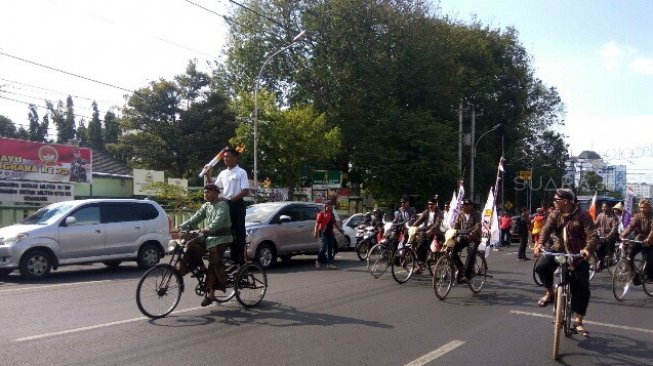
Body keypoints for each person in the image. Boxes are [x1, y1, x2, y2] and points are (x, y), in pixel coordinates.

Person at [533, 188, 597, 337]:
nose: (554, 202)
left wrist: (587, 249)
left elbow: (592, 235)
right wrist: (539, 244)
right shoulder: (554, 214)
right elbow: (545, 230)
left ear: (566, 201)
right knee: (542, 266)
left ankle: (578, 321)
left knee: (582, 287)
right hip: (558, 250)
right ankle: (550, 293)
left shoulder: (583, 215)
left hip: (578, 255)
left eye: (557, 200)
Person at [178, 184, 232, 307]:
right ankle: (201, 268)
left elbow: (218, 221)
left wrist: (208, 228)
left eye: (208, 192)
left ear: (216, 193)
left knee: (213, 259)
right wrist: (181, 226)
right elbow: (195, 219)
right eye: (205, 192)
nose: (205, 194)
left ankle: (211, 295)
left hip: (222, 238)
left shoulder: (222, 205)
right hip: (208, 237)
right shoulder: (206, 206)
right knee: (190, 245)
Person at [205, 147, 250, 266]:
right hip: (225, 205)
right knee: (224, 232)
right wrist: (208, 175)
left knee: (237, 232)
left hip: (236, 205)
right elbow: (214, 188)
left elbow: (245, 191)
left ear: (235, 158)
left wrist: (229, 200)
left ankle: (239, 259)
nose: (225, 159)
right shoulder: (223, 173)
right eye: (224, 157)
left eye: (228, 156)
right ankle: (224, 258)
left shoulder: (241, 172)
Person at [619, 199, 653, 285]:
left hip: (650, 241)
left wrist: (648, 239)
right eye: (641, 207)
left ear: (649, 208)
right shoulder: (637, 216)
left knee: (650, 259)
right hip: (639, 238)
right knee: (629, 256)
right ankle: (635, 275)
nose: (642, 209)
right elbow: (630, 227)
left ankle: (650, 277)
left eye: (644, 207)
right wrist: (623, 235)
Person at [451, 199, 481, 284]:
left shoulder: (477, 214)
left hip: (473, 238)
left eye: (467, 206)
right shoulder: (460, 214)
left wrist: (470, 234)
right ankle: (461, 267)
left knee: (471, 253)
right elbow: (456, 226)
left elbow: (477, 226)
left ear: (471, 207)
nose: (464, 208)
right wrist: (453, 233)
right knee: (452, 250)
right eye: (463, 206)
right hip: (462, 237)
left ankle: (467, 275)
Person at [411, 197, 444, 273]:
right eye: (429, 204)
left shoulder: (440, 213)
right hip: (426, 232)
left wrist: (431, 230)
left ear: (436, 205)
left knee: (432, 247)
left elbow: (437, 224)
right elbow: (419, 221)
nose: (430, 206)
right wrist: (412, 228)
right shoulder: (426, 212)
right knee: (419, 247)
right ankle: (420, 265)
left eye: (432, 204)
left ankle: (438, 262)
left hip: (437, 233)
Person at [314, 200, 344, 270]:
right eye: (331, 206)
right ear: (327, 206)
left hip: (330, 233)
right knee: (323, 248)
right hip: (323, 233)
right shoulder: (321, 214)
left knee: (330, 249)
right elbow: (317, 223)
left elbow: (334, 223)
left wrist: (340, 230)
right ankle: (318, 261)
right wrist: (316, 232)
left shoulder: (332, 214)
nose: (332, 207)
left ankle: (329, 264)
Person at [594, 202, 619, 270]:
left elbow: (614, 228)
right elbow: (595, 224)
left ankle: (610, 258)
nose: (604, 208)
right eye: (603, 207)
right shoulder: (600, 215)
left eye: (605, 207)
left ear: (609, 208)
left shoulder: (613, 217)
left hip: (611, 236)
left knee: (608, 247)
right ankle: (600, 261)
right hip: (602, 236)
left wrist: (609, 235)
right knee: (598, 248)